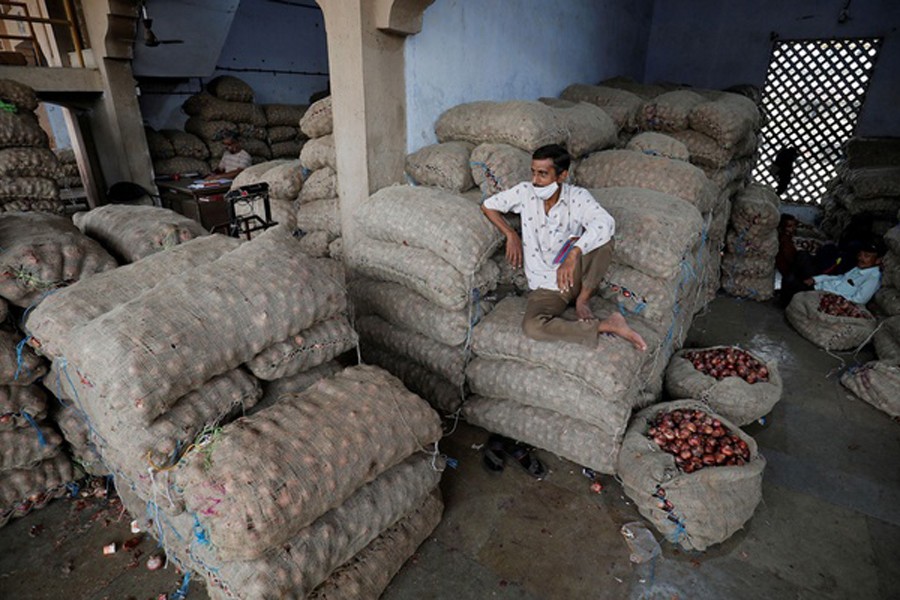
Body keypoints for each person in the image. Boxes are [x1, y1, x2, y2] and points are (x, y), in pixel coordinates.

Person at [480, 144, 647, 351]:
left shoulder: (577, 197)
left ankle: (583, 300)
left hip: (574, 276)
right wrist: (510, 233)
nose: (535, 180)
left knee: (604, 240)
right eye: (533, 172)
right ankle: (606, 325)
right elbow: (488, 206)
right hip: (545, 285)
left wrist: (574, 253)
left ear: (562, 176)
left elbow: (605, 223)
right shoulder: (525, 192)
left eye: (543, 174)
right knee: (532, 327)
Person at [781, 239, 883, 306]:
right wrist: (815, 279)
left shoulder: (872, 277)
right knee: (790, 278)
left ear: (878, 260)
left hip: (823, 295)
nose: (861, 258)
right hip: (819, 287)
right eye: (860, 255)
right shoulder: (859, 268)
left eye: (866, 256)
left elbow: (858, 300)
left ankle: (786, 302)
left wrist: (826, 296)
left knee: (790, 282)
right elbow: (839, 278)